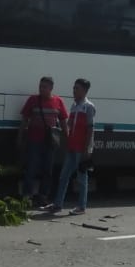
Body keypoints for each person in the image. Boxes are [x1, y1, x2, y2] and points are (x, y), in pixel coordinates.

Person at [46, 78, 95, 215]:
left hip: (82, 149)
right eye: (74, 88)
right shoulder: (74, 106)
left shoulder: (89, 107)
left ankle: (81, 207)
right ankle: (58, 204)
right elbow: (69, 125)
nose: (74, 90)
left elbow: (90, 129)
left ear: (84, 91)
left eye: (77, 88)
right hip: (72, 147)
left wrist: (87, 149)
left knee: (82, 178)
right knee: (64, 176)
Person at [18, 76, 67, 209]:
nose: (41, 89)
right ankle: (27, 196)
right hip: (34, 140)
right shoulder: (33, 100)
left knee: (47, 170)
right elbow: (25, 119)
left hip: (50, 142)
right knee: (31, 169)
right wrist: (20, 136)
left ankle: (43, 196)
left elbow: (63, 121)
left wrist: (66, 137)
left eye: (44, 87)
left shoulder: (58, 101)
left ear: (51, 88)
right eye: (40, 86)